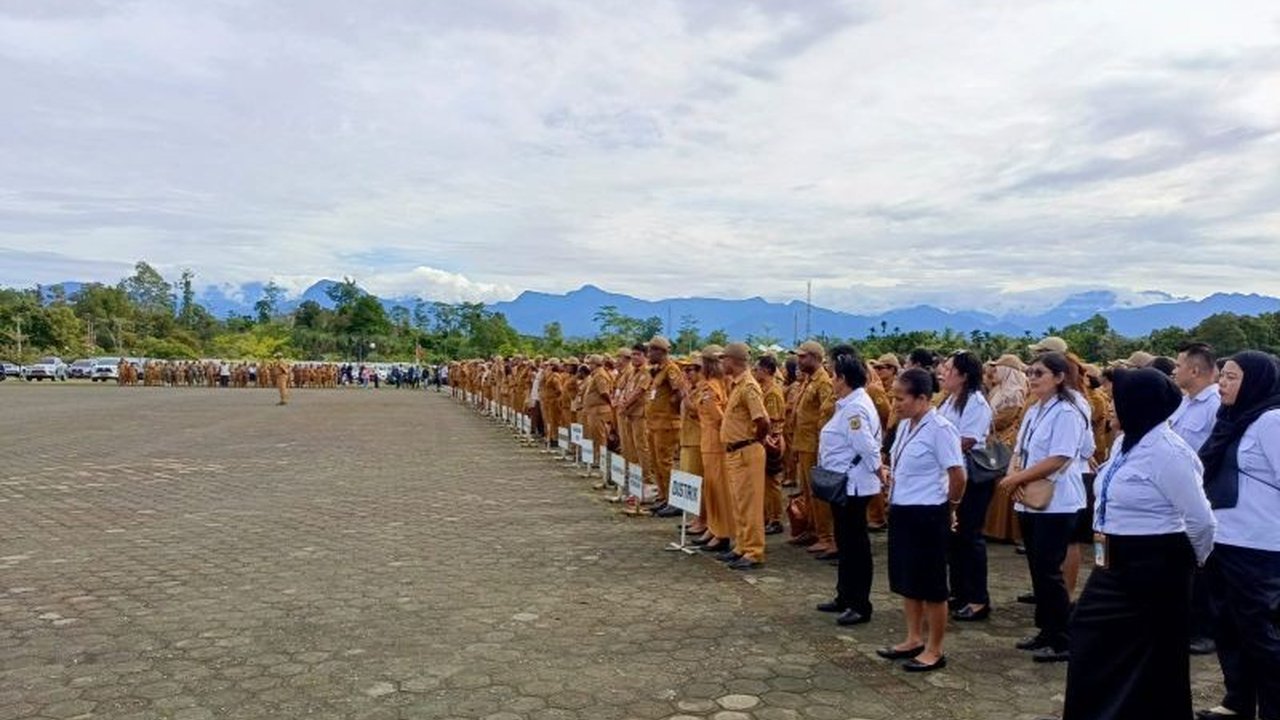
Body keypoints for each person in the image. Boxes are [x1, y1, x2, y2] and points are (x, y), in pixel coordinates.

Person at [1060, 369, 1216, 720]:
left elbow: (1201, 520)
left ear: (1139, 405)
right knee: (1091, 636)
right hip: (1112, 560)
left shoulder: (1169, 452)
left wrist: (1193, 562)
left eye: (1118, 400)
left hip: (1156, 565)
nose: (1110, 406)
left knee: (1153, 653)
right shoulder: (1123, 443)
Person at [1197, 351, 1280, 720]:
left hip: (1259, 545)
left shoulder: (1271, 421)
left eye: (1232, 377)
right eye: (1223, 376)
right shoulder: (1230, 419)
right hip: (1224, 538)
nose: (1222, 384)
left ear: (1256, 381)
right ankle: (1238, 700)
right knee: (1227, 627)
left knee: (1262, 634)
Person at [998, 351, 1092, 663]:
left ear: (1059, 377)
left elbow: (1060, 457)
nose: (1032, 378)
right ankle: (1046, 630)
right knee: (1039, 569)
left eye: (1039, 373)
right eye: (1030, 372)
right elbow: (1021, 450)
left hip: (1057, 502)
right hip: (1030, 497)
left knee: (1050, 570)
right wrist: (1014, 474)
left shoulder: (1066, 411)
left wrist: (1016, 479)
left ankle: (1062, 637)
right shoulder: (1036, 409)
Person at [877, 368, 966, 672]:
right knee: (908, 579)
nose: (896, 403)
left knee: (932, 585)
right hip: (903, 509)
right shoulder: (905, 426)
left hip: (928, 513)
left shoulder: (940, 429)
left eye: (901, 398)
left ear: (923, 398)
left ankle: (934, 648)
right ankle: (913, 638)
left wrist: (951, 508)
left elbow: (957, 474)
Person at [814, 352, 882, 626]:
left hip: (853, 484)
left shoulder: (855, 408)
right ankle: (844, 595)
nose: (831, 380)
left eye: (834, 375)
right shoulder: (848, 404)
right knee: (845, 540)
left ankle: (859, 603)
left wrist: (881, 473)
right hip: (843, 483)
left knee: (855, 545)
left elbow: (866, 446)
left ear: (843, 379)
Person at [1171, 341, 1222, 656]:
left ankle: (1206, 630)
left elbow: (1218, 451)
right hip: (1178, 493)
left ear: (1195, 369)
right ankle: (1188, 622)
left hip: (1203, 493)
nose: (1174, 371)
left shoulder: (1216, 405)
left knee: (1204, 564)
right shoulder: (1184, 403)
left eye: (1178, 366)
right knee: (1186, 562)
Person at [939, 351, 995, 622]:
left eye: (948, 369)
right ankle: (959, 591)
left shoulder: (975, 402)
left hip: (971, 477)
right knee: (955, 537)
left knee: (970, 536)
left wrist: (936, 450)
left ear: (963, 376)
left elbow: (967, 440)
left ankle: (977, 598)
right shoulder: (950, 400)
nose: (942, 372)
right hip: (951, 474)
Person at [718, 343, 770, 571]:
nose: (722, 364)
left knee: (749, 504)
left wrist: (754, 440)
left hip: (746, 450)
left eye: (724, 359)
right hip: (735, 451)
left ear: (733, 360)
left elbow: (762, 421)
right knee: (739, 502)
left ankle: (753, 551)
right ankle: (741, 546)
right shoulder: (737, 385)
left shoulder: (749, 386)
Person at [793, 341, 838, 559]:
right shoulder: (809, 380)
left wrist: (823, 447)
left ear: (814, 357)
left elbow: (827, 416)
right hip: (803, 444)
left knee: (819, 495)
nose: (799, 361)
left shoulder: (823, 383)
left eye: (803, 357)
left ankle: (826, 537)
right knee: (808, 492)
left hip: (815, 445)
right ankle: (812, 529)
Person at [646, 336, 687, 518]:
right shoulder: (658, 371)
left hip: (667, 423)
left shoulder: (671, 369)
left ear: (661, 352)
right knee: (656, 463)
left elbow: (680, 392)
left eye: (651, 350)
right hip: (655, 423)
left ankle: (674, 500)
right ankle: (663, 496)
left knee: (665, 462)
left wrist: (673, 404)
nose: (649, 354)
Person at [755, 355, 787, 535]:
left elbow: (773, 419)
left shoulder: (772, 392)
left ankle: (775, 518)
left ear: (766, 370)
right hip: (764, 439)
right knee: (765, 481)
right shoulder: (764, 389)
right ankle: (767, 515)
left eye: (757, 369)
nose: (755, 372)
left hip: (771, 440)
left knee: (772, 481)